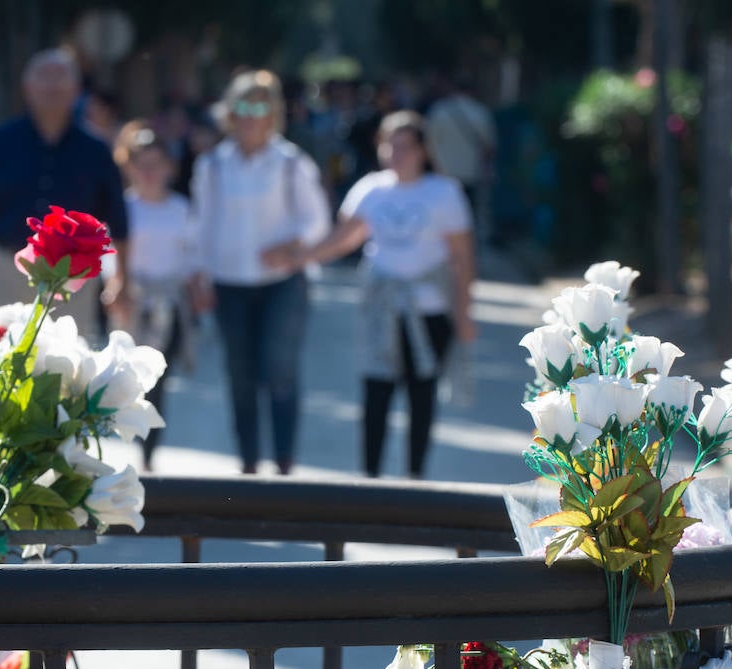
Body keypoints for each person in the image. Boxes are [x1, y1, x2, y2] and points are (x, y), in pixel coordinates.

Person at [302, 111, 475, 479]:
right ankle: (370, 478)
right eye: (390, 146)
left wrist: (463, 314)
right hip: (382, 310)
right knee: (376, 392)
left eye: (406, 147)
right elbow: (343, 238)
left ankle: (414, 477)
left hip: (429, 310)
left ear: (423, 150)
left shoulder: (444, 193)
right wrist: (298, 257)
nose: (397, 155)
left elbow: (462, 259)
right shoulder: (371, 189)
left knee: (421, 394)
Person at [192, 69, 331, 475]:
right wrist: (198, 276)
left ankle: (284, 465)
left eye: (260, 108)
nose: (251, 117)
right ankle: (249, 467)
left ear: (272, 114)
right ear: (230, 112)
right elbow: (200, 226)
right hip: (229, 284)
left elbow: (317, 221)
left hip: (282, 284)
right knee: (240, 377)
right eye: (243, 107)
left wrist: (291, 247)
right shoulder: (213, 165)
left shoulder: (291, 163)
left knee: (280, 371)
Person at [0, 49, 129, 336]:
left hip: (72, 278)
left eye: (60, 76)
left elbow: (118, 218)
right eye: (44, 76)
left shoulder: (97, 151)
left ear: (76, 89)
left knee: (67, 356)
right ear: (26, 87)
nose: (52, 85)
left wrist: (121, 279)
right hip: (5, 269)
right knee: (2, 352)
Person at [109, 121, 209, 471]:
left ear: (169, 168)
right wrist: (115, 287)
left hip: (169, 304)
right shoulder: (122, 208)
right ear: (129, 168)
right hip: (131, 300)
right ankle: (122, 443)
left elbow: (193, 255)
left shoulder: (181, 209)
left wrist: (198, 288)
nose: (149, 173)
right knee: (125, 377)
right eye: (142, 165)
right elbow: (109, 255)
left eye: (156, 165)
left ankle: (148, 452)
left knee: (158, 379)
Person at [425, 73, 496, 242]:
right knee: (467, 216)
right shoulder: (480, 112)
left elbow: (428, 143)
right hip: (471, 173)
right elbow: (489, 146)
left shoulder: (439, 110)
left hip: (443, 173)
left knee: (442, 215)